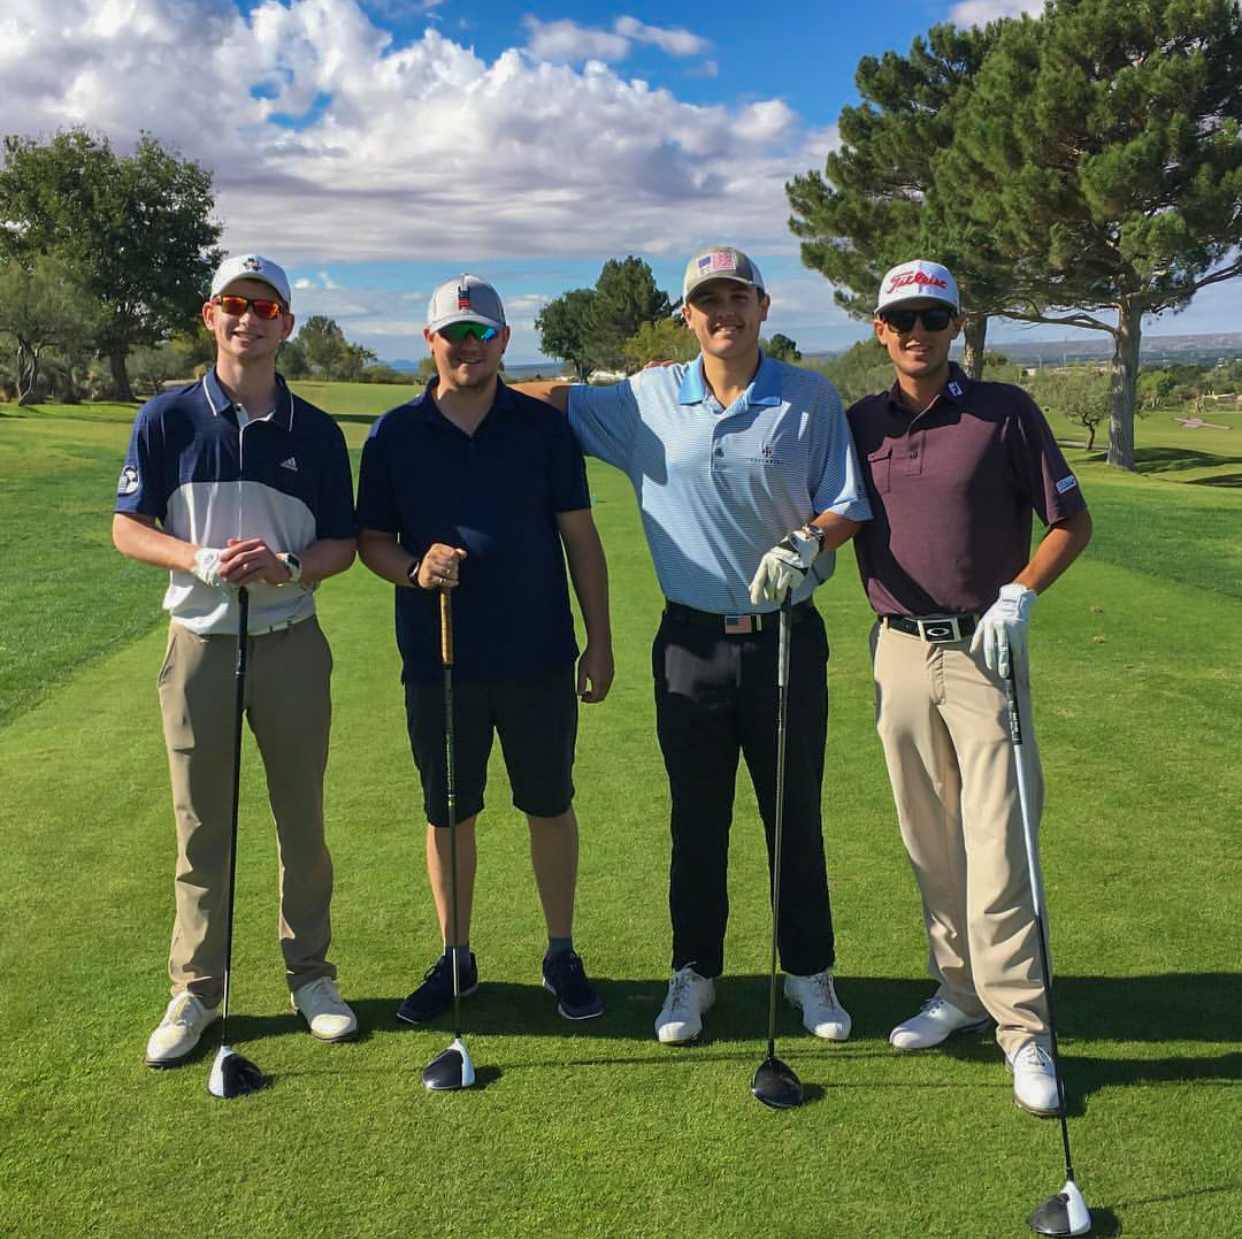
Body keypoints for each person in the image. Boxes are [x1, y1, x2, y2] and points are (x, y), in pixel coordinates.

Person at [516, 246, 871, 1045]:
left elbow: (848, 500)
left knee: (793, 812)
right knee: (697, 817)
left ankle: (809, 970)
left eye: (738, 297)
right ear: (688, 316)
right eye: (708, 301)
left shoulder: (809, 396)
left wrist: (812, 540)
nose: (725, 313)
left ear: (763, 306)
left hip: (786, 636)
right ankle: (694, 973)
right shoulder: (644, 398)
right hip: (689, 644)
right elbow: (545, 399)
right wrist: (459, 382)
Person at [846, 258, 1093, 1115]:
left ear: (959, 327)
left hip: (987, 651)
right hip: (899, 653)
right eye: (902, 318)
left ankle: (1022, 1025)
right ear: (880, 329)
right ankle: (955, 990)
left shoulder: (1004, 412)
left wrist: (1022, 590)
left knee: (1002, 839)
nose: (918, 331)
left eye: (934, 318)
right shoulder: (859, 423)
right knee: (929, 838)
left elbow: (1072, 519)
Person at [114, 253, 359, 1067]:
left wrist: (291, 566)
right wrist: (193, 556)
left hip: (290, 642)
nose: (247, 318)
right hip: (199, 648)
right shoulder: (167, 418)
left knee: (302, 823)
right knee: (200, 828)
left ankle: (311, 975)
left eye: (264, 306)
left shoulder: (316, 431)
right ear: (210, 315)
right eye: (232, 304)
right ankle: (197, 989)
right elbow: (127, 525)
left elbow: (342, 543)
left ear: (286, 321)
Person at [356, 275, 613, 1025]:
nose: (469, 346)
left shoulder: (542, 430)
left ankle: (560, 950)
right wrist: (412, 567)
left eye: (483, 333)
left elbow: (581, 539)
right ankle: (457, 955)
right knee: (448, 812)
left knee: (549, 803)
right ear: (430, 341)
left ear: (503, 341)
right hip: (438, 662)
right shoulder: (394, 434)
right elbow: (371, 538)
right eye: (454, 334)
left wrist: (599, 641)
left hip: (537, 654)